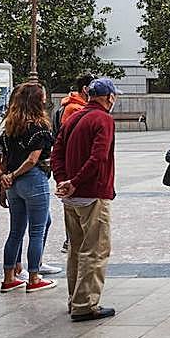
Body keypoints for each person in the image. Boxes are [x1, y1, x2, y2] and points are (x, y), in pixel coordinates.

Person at [52, 77, 119, 322]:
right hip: (92, 193)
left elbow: (56, 151)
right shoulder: (103, 119)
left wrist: (63, 181)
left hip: (71, 196)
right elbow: (98, 157)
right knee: (96, 250)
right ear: (109, 97)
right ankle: (85, 303)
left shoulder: (73, 117)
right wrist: (76, 181)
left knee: (76, 250)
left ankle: (74, 299)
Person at [0, 83, 57, 294]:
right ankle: (34, 277)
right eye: (43, 97)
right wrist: (13, 174)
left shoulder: (9, 126)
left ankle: (9, 277)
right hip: (32, 179)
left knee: (15, 231)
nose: (46, 100)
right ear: (36, 101)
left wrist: (5, 179)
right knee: (37, 231)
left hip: (13, 185)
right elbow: (32, 159)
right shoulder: (38, 126)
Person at [57, 74, 93, 254]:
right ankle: (70, 240)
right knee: (74, 204)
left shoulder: (81, 107)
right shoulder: (73, 108)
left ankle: (73, 240)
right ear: (85, 89)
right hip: (74, 163)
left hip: (76, 163)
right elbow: (66, 137)